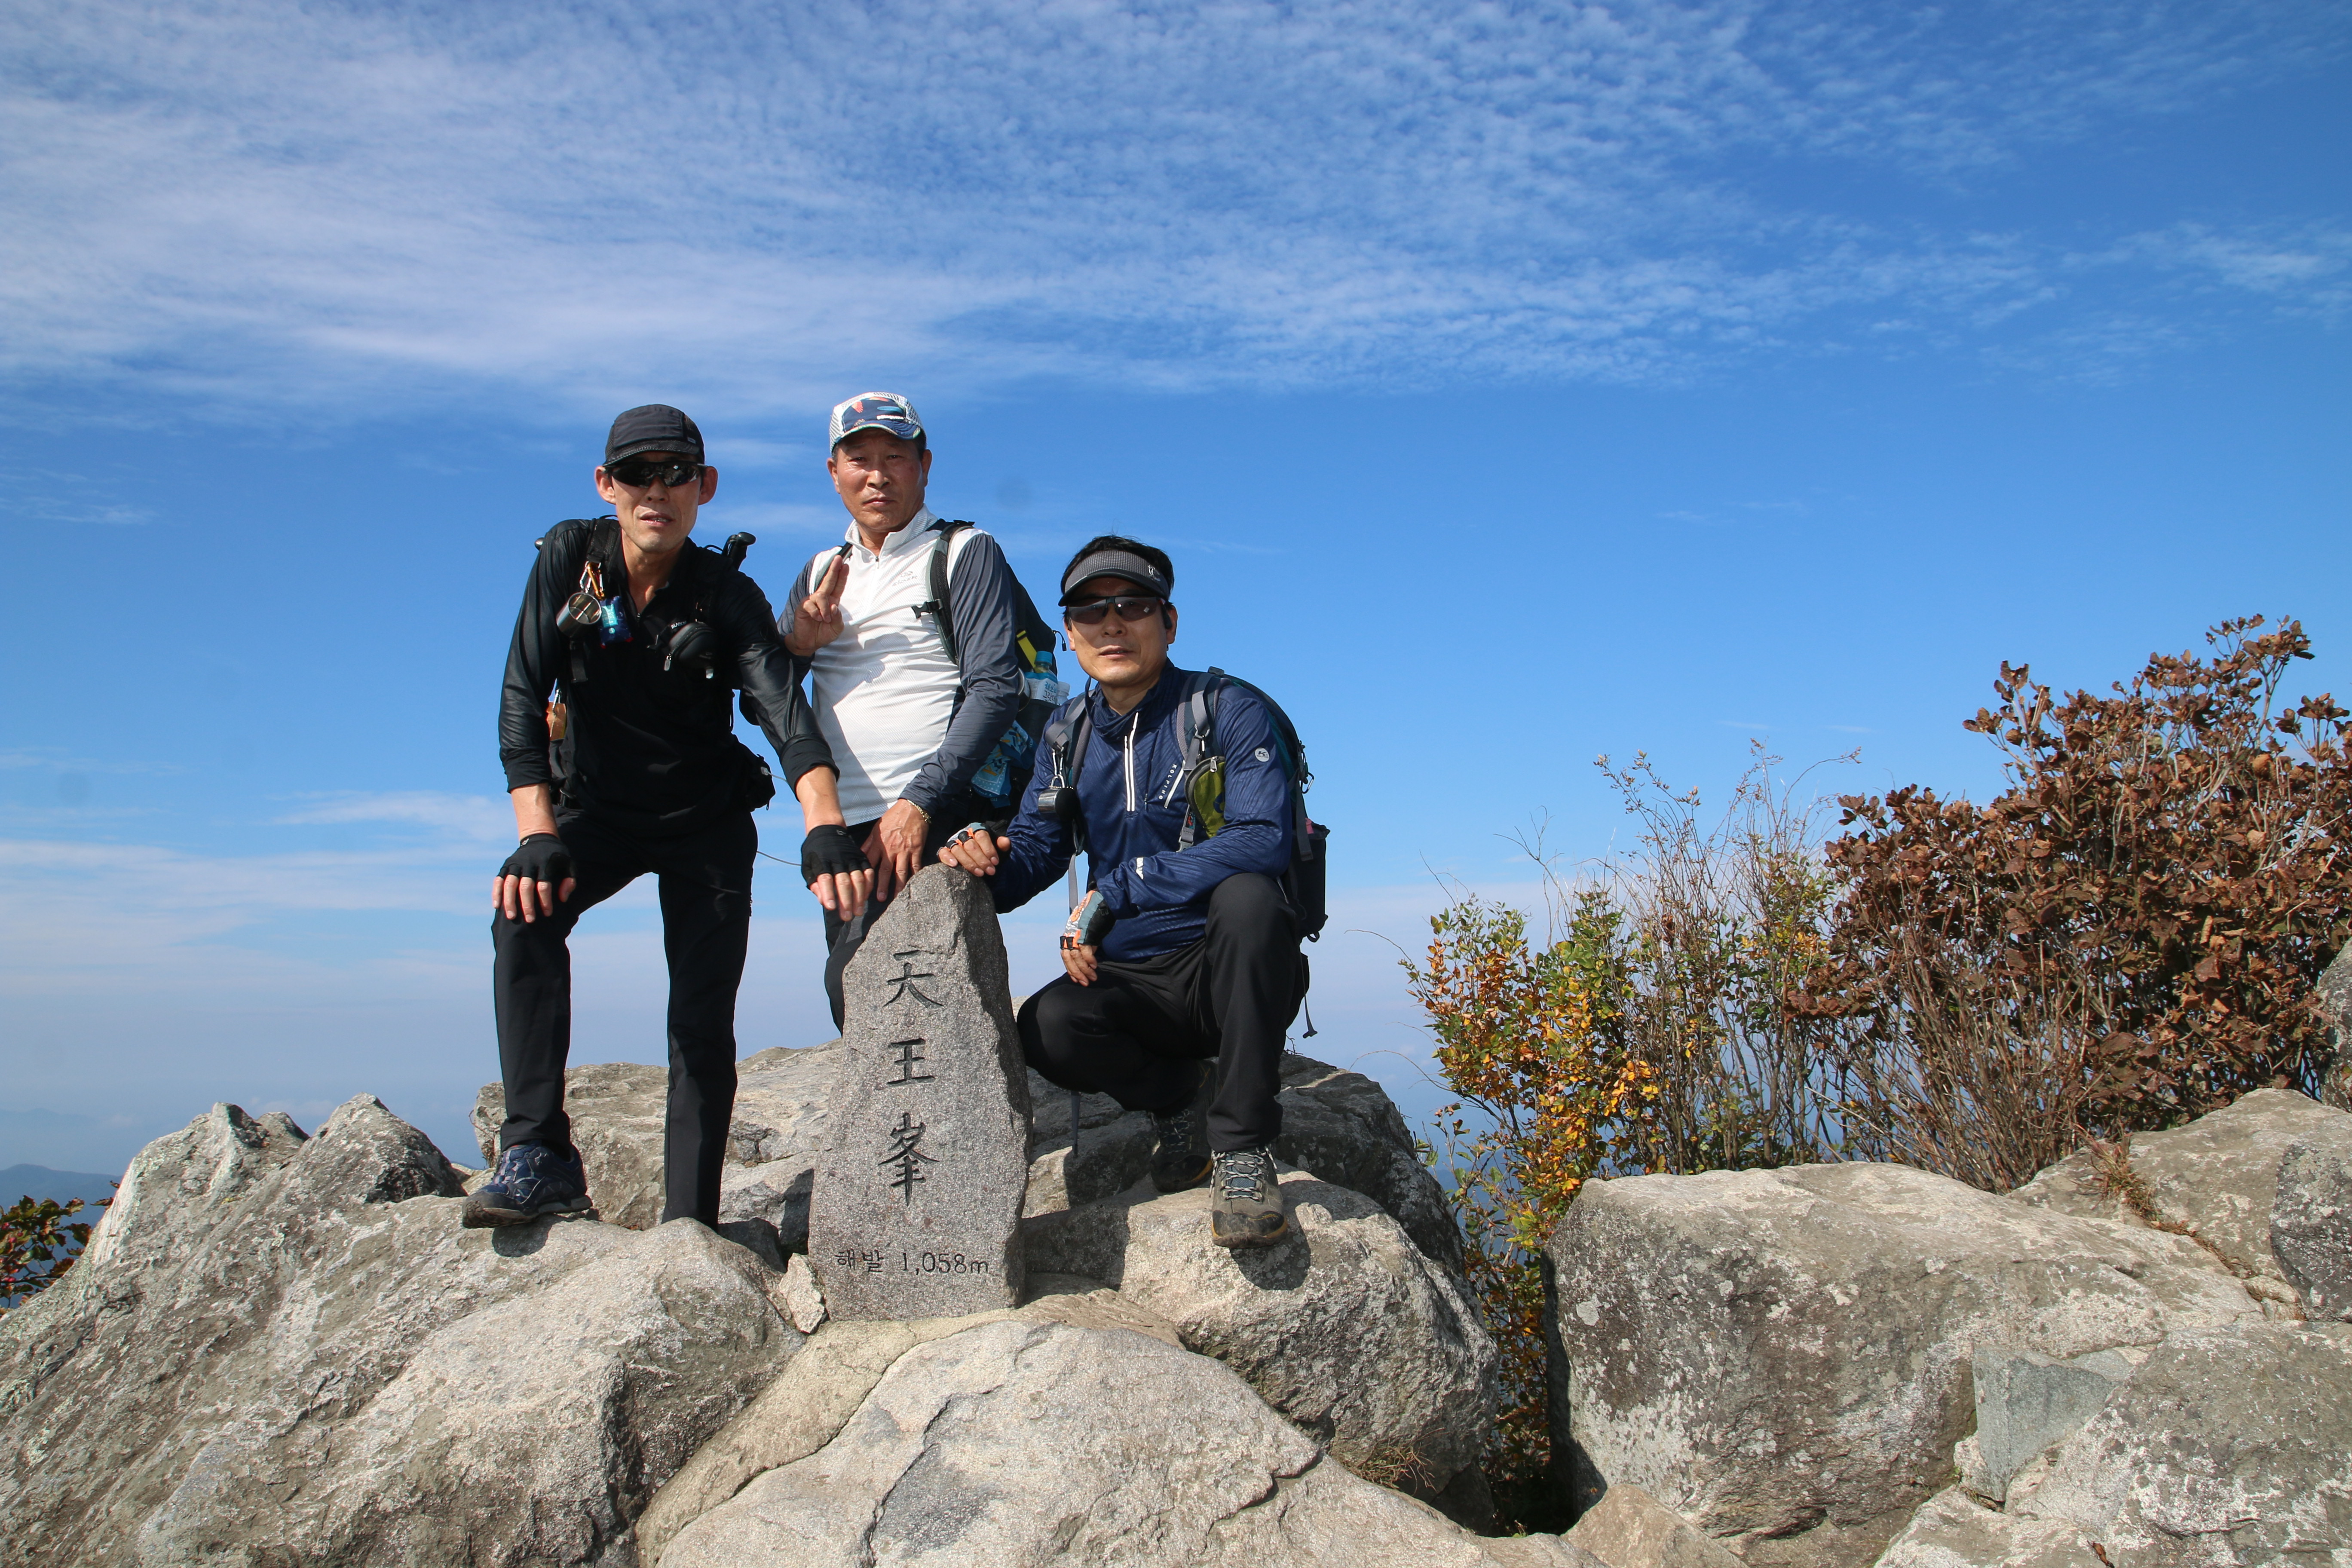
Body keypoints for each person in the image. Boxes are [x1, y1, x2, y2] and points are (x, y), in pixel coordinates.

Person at [471, 404, 870, 1229]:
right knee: (523, 917)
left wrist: (824, 824)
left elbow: (782, 711)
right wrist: (536, 832)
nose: (657, 491)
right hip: (595, 811)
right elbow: (522, 692)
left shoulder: (726, 593)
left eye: (677, 474)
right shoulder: (568, 559)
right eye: (636, 474)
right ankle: (538, 1151)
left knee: (699, 1021)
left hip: (706, 823)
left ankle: (690, 1224)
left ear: (705, 486)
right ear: (605, 484)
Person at [937, 536, 1304, 1248]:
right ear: (1070, 634)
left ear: (1170, 622)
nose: (1112, 624)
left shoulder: (1225, 709)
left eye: (1133, 606)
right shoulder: (1067, 735)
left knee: (1250, 900)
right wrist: (978, 859)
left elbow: (1265, 838)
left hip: (1231, 972)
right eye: (1090, 611)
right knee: (1048, 1027)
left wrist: (1123, 888)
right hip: (1134, 982)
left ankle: (1242, 1150)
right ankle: (1181, 1097)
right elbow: (1036, 854)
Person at [778, 392, 1029, 1028]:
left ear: (925, 465)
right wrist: (800, 643)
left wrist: (918, 804)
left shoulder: (964, 550)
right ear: (833, 471)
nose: (877, 475)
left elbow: (995, 687)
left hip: (934, 815)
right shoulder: (819, 571)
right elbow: (771, 697)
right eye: (858, 458)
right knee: (858, 996)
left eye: (894, 456)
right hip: (845, 829)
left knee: (883, 991)